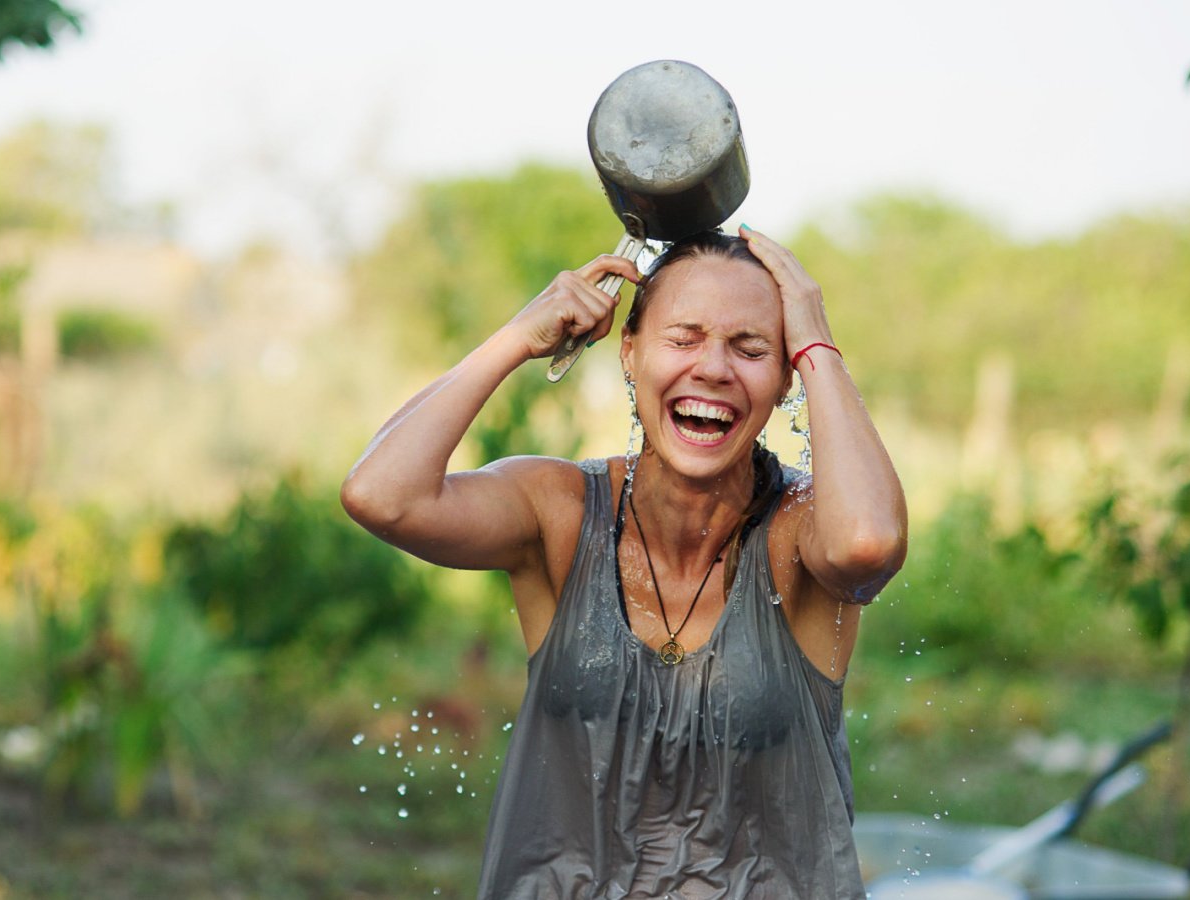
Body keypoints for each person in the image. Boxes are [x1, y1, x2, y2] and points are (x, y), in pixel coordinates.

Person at [340, 225, 906, 898]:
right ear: (629, 353)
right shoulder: (559, 512)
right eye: (684, 338)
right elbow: (380, 496)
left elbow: (867, 545)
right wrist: (517, 338)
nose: (714, 368)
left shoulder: (799, 531)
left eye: (751, 348)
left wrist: (816, 344)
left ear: (785, 379)